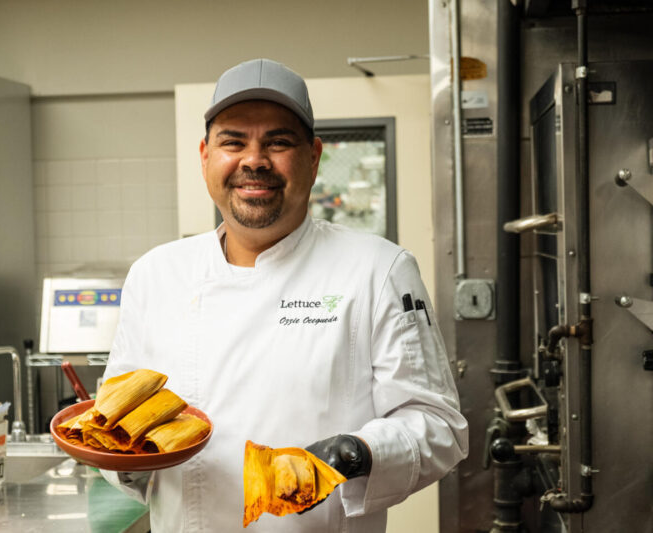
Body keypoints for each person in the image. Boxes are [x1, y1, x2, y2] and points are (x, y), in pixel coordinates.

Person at [100, 58, 468, 532]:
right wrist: (123, 461)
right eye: (233, 141)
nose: (254, 160)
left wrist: (356, 453)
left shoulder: (378, 269)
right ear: (205, 156)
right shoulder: (156, 274)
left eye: (278, 141)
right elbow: (112, 424)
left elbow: (438, 426)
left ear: (314, 158)